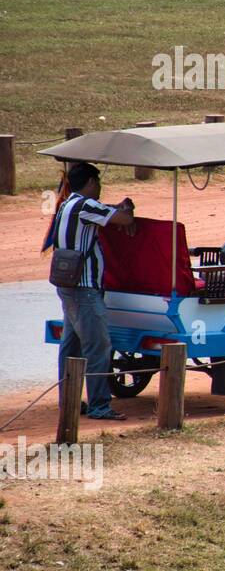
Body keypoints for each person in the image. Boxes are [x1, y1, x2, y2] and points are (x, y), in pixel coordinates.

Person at [49, 162, 136, 421]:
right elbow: (124, 219)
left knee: (71, 347)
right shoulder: (87, 205)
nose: (99, 188)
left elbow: (105, 211)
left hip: (67, 287)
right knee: (98, 347)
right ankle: (100, 405)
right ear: (90, 182)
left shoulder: (68, 203)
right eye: (98, 183)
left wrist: (115, 206)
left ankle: (70, 401)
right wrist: (128, 206)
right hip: (85, 289)